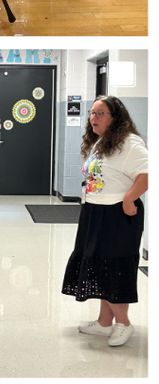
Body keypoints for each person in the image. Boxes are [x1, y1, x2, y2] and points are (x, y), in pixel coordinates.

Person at [62, 95, 148, 347]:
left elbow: (148, 173)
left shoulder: (129, 142)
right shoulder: (101, 142)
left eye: (100, 113)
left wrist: (130, 197)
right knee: (99, 264)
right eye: (92, 113)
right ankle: (104, 323)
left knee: (114, 267)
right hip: (95, 212)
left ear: (115, 117)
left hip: (118, 214)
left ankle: (124, 324)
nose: (93, 118)